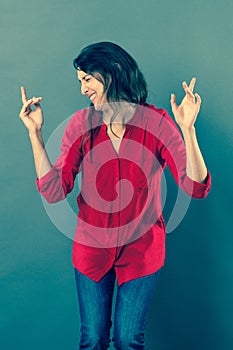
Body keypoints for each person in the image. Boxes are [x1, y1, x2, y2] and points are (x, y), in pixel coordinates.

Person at [19, 41, 211, 349]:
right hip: (92, 252)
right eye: (79, 81)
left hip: (142, 252)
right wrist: (35, 133)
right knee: (92, 339)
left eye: (87, 79)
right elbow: (55, 189)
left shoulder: (157, 122)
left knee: (127, 339)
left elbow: (195, 186)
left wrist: (188, 129)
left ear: (113, 71)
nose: (83, 89)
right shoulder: (81, 125)